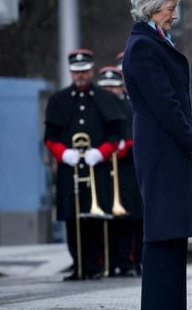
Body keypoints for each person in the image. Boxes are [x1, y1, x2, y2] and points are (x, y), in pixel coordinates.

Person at [121, 0, 192, 310]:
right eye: (170, 8)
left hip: (165, 145)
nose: (175, 15)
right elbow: (164, 103)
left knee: (172, 231)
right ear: (152, 7)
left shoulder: (155, 41)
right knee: (163, 231)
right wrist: (190, 138)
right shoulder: (144, 46)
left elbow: (175, 100)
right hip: (160, 148)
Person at [44, 48, 125, 281]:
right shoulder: (58, 100)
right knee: (73, 218)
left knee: (96, 219)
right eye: (76, 72)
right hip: (70, 169)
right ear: (70, 72)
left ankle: (94, 264)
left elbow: (116, 135)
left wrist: (100, 154)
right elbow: (50, 137)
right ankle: (78, 263)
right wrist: (63, 153)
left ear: (91, 70)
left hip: (97, 168)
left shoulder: (106, 99)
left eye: (85, 71)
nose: (81, 75)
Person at [96, 66, 143, 277]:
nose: (109, 91)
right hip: (103, 167)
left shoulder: (129, 108)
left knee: (128, 219)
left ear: (121, 88)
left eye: (113, 87)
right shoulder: (95, 106)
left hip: (126, 170)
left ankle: (126, 260)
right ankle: (106, 260)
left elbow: (136, 133)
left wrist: (124, 145)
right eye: (105, 87)